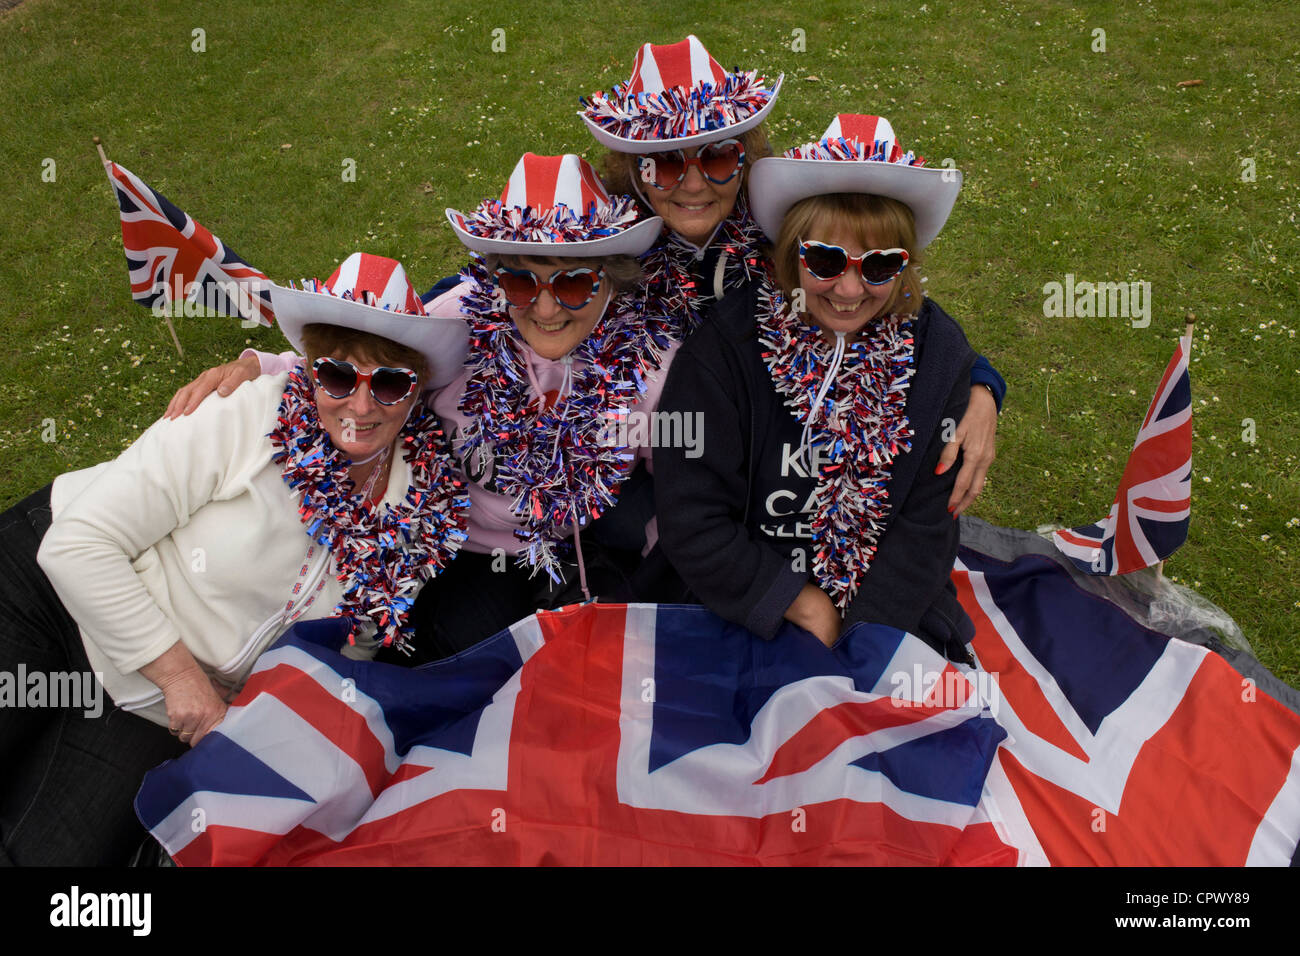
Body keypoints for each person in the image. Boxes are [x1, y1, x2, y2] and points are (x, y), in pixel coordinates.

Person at [0, 252, 470, 865]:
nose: (361, 405)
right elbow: (78, 546)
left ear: (415, 389)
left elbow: (351, 647)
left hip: (148, 701)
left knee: (54, 856)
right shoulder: (247, 411)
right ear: (307, 370)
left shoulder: (421, 505)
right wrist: (183, 681)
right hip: (45, 593)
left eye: (388, 383)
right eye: (336, 377)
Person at [581, 36, 1003, 515]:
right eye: (665, 163)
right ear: (633, 172)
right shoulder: (605, 247)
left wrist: (982, 386)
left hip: (769, 476)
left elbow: (891, 306)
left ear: (745, 158)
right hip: (631, 483)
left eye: (717, 156)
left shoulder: (785, 234)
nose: (693, 184)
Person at [653, 115, 977, 659]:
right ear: (790, 252)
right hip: (742, 606)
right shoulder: (724, 350)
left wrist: (865, 634)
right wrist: (799, 603)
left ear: (906, 267)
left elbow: (926, 526)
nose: (849, 289)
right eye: (825, 259)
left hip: (888, 610)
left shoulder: (935, 354)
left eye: (879, 266)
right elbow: (692, 516)